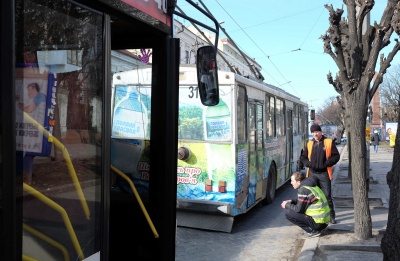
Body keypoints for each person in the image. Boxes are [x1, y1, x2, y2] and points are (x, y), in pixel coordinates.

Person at [300, 123, 340, 224]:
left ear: (321, 132)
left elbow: (336, 156)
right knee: (313, 196)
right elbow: (303, 157)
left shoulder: (329, 142)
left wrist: (327, 164)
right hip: (312, 174)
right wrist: (308, 164)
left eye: (316, 132)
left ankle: (331, 216)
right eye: (313, 132)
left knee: (327, 196)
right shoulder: (309, 144)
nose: (315, 134)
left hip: (324, 174)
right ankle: (315, 216)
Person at [281, 171, 330, 238]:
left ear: (298, 181)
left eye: (292, 181)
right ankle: (315, 229)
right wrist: (292, 201)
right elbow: (305, 200)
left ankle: (313, 231)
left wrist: (286, 205)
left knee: (288, 213)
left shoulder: (303, 190)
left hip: (317, 223)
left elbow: (299, 209)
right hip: (324, 222)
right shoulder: (311, 185)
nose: (291, 183)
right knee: (292, 210)